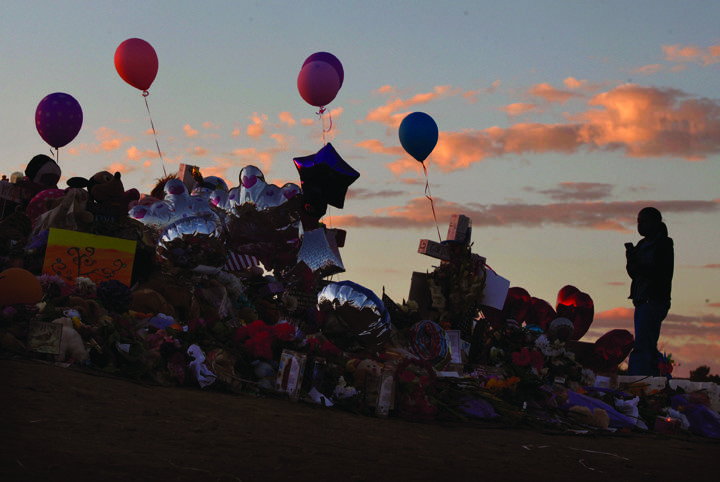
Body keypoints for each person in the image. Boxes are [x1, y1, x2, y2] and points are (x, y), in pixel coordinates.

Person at [625, 207, 674, 376]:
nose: (640, 225)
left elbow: (661, 272)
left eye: (644, 221)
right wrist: (631, 260)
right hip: (640, 299)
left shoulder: (664, 244)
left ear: (656, 223)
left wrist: (639, 264)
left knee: (642, 346)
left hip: (654, 300)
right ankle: (664, 379)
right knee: (648, 345)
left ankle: (636, 382)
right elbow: (634, 275)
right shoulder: (640, 245)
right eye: (638, 221)